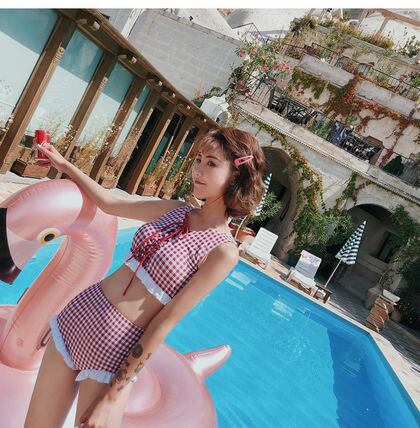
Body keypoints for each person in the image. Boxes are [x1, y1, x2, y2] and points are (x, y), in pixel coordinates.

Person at [24, 127, 266, 428]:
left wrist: (113, 396)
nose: (198, 170)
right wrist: (63, 164)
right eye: (199, 160)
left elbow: (165, 321)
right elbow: (110, 203)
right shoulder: (177, 210)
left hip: (114, 351)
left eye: (211, 163)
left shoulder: (222, 252)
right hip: (78, 317)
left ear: (236, 176)